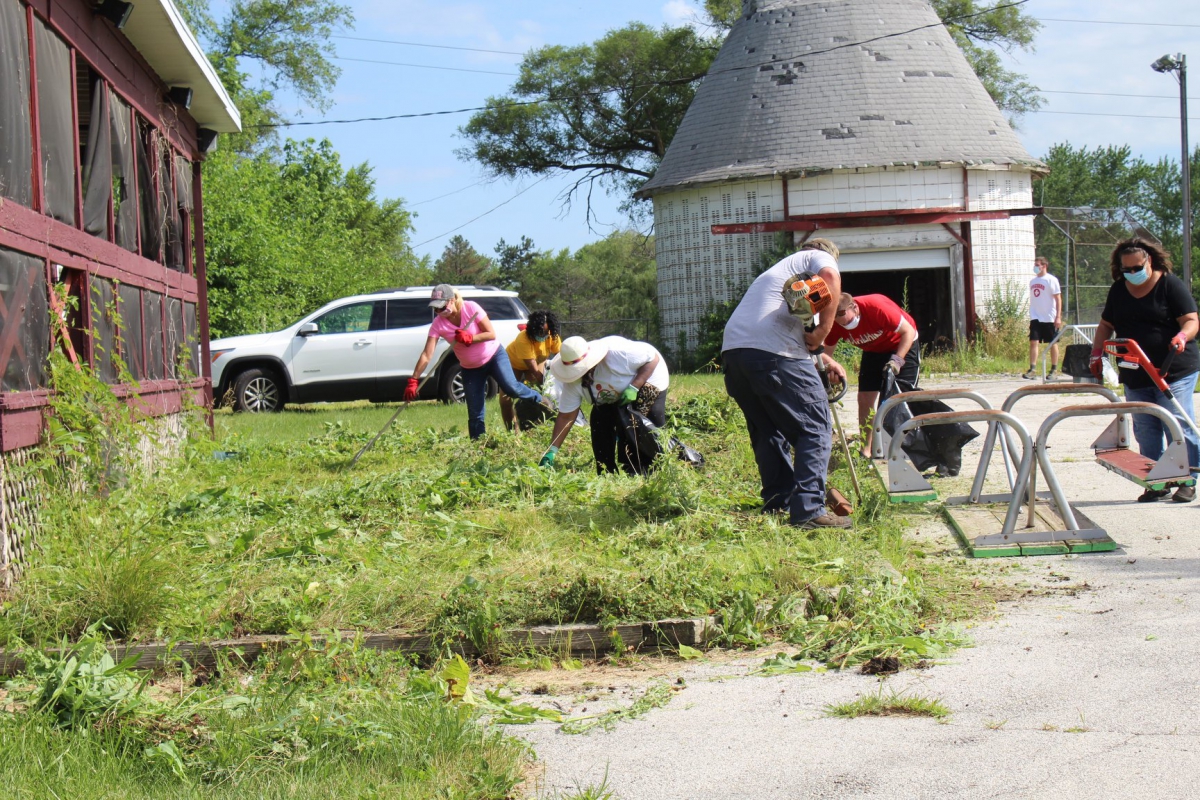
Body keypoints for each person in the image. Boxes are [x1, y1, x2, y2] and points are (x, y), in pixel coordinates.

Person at [721, 238, 850, 530]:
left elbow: (796, 329)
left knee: (768, 430)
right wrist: (824, 332)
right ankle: (808, 511)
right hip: (773, 353)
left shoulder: (782, 275)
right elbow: (830, 278)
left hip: (735, 354)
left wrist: (825, 360)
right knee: (816, 428)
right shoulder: (818, 260)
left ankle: (779, 502)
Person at [1090, 238, 1199, 503]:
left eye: (1136, 268)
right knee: (1145, 427)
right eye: (1126, 269)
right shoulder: (1119, 290)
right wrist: (1096, 353)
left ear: (1148, 261)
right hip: (1135, 370)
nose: (1131, 274)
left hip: (1172, 369)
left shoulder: (1169, 285)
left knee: (1176, 421)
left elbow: (1191, 321)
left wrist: (1182, 337)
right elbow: (1106, 325)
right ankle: (1157, 481)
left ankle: (1189, 478)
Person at [405, 284, 546, 439]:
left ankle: (540, 400)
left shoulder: (470, 308)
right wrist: (414, 379)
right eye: (435, 309)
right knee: (475, 412)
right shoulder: (438, 324)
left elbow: (491, 334)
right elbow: (427, 353)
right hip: (471, 369)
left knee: (511, 388)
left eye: (442, 307)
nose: (439, 312)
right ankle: (478, 447)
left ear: (452, 300)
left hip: (494, 357)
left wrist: (470, 338)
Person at [539, 335, 669, 474]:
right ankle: (606, 472)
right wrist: (552, 450)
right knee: (599, 421)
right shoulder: (572, 382)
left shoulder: (618, 354)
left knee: (639, 424)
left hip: (648, 377)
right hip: (612, 393)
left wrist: (635, 386)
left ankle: (650, 467)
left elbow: (652, 359)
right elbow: (566, 417)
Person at [824, 293, 920, 458]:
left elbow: (908, 332)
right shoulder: (835, 324)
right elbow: (826, 355)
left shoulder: (876, 307)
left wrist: (897, 360)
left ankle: (904, 449)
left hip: (902, 344)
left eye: (841, 314)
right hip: (873, 351)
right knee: (864, 399)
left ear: (854, 307)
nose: (839, 320)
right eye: (834, 315)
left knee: (900, 398)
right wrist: (830, 371)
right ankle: (866, 450)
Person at [499, 310, 562, 432]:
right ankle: (512, 431)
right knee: (505, 399)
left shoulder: (552, 335)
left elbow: (560, 355)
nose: (541, 335)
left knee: (535, 395)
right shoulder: (523, 338)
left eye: (544, 332)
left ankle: (533, 428)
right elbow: (533, 370)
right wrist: (543, 383)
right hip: (513, 363)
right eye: (538, 332)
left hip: (538, 361)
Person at [1024, 256, 1063, 380]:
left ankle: (1054, 370)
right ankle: (1032, 369)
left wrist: (1058, 316)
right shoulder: (1033, 281)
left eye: (1037, 265)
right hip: (1036, 316)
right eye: (1035, 265)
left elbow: (1058, 298)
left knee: (1052, 343)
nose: (1035, 267)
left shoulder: (1051, 280)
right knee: (1033, 342)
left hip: (1049, 317)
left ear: (1044, 266)